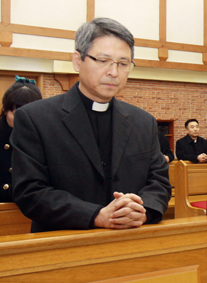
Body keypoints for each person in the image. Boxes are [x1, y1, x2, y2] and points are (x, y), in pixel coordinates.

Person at [11, 18, 172, 233]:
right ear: (77, 61)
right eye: (103, 60)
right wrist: (96, 215)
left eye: (123, 64)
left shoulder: (143, 122)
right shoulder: (35, 118)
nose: (113, 72)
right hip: (61, 247)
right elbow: (30, 191)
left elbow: (159, 182)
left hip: (131, 244)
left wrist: (143, 209)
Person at [0, 76, 42, 202]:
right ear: (6, 110)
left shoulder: (44, 137)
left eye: (30, 114)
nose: (23, 118)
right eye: (16, 113)